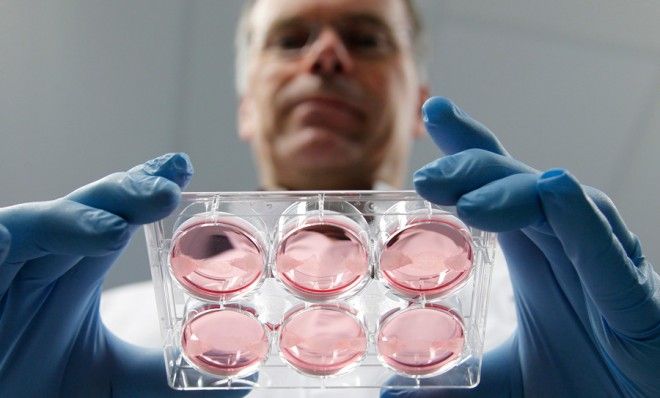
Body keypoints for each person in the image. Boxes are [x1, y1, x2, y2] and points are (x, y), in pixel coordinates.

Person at [0, 0, 658, 397]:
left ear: (415, 99)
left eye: (366, 37)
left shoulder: (550, 320)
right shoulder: (109, 333)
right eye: (290, 39)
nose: (328, 56)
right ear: (247, 107)